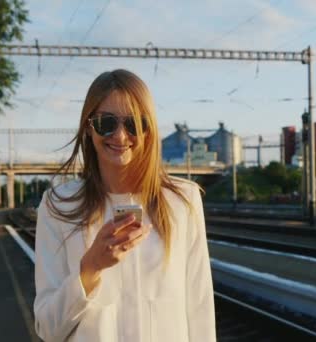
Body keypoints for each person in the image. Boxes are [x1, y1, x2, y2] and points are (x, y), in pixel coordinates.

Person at [34, 69, 216, 342]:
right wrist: (90, 268)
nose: (120, 136)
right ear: (88, 127)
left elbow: (200, 310)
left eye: (134, 124)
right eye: (106, 123)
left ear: (149, 130)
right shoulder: (58, 206)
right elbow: (48, 329)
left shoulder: (183, 202)